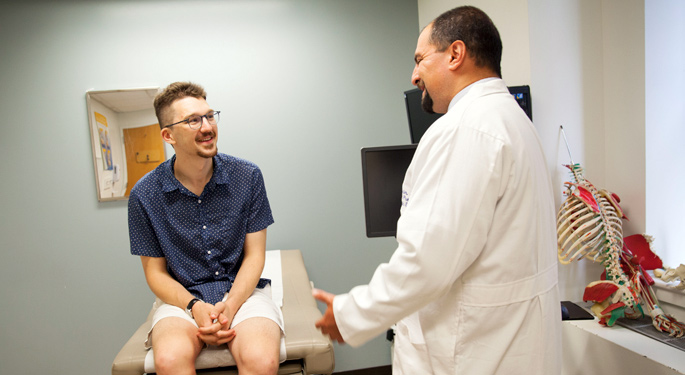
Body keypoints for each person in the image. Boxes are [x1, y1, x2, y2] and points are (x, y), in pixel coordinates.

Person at [313, 6, 561, 374]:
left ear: (455, 54)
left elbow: (428, 261)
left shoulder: (465, 129)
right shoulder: (512, 120)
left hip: (472, 351)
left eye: (419, 60)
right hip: (508, 343)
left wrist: (352, 314)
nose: (414, 76)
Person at [128, 82, 283, 375]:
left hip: (242, 293)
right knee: (169, 361)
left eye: (210, 116)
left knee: (261, 361)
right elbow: (155, 274)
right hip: (181, 300)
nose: (207, 126)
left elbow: (254, 256)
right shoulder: (144, 195)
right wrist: (195, 307)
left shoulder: (247, 176)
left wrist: (232, 304)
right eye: (193, 120)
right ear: (168, 135)